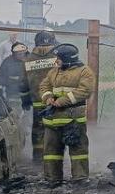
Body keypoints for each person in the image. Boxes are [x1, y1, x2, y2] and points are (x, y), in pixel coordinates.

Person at [38, 43, 95, 181]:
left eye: (58, 58)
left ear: (68, 58)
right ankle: (52, 179)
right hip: (52, 121)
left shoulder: (84, 72)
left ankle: (80, 179)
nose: (56, 61)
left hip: (73, 121)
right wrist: (47, 97)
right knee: (51, 153)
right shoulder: (54, 71)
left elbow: (85, 91)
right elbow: (44, 85)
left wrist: (62, 101)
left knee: (78, 152)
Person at [21, 30, 59, 161]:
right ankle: (54, 158)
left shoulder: (28, 60)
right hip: (56, 102)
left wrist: (25, 99)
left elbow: (23, 83)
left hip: (38, 102)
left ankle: (38, 158)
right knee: (55, 128)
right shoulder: (58, 58)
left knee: (38, 130)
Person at [0, 40, 32, 121]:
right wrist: (2, 104)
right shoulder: (7, 63)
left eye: (23, 53)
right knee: (15, 120)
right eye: (19, 54)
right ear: (13, 53)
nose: (21, 55)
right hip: (13, 100)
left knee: (29, 122)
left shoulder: (32, 61)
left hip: (30, 100)